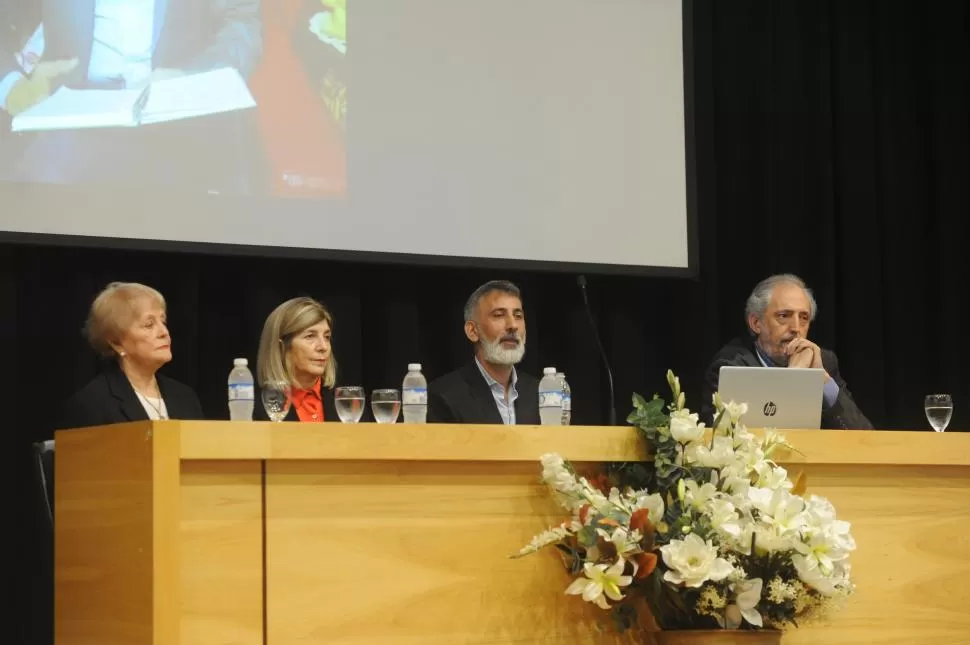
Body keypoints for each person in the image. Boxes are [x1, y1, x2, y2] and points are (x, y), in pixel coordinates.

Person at [0, 0, 263, 116]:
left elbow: (241, 23)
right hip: (67, 114)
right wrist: (11, 87)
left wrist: (193, 79)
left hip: (177, 113)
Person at [702, 274, 872, 430]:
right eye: (784, 316)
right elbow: (723, 442)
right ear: (756, 323)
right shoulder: (731, 366)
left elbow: (864, 435)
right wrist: (794, 378)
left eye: (804, 318)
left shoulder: (823, 361)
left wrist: (823, 380)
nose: (796, 328)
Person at [58, 282, 204, 429]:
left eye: (163, 321)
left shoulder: (185, 397)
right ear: (116, 343)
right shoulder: (92, 404)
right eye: (149, 324)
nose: (164, 332)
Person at [428, 280, 540, 425]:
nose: (512, 325)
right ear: (473, 331)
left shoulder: (541, 393)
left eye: (518, 316)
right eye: (499, 315)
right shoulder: (444, 395)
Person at [255, 296, 337, 422]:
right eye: (310, 336)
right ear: (281, 346)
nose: (323, 347)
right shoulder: (257, 408)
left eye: (327, 337)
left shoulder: (347, 404)